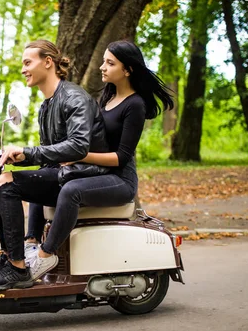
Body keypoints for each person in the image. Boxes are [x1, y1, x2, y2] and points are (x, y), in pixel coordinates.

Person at [33, 40, 174, 265]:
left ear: (127, 70)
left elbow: (121, 158)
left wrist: (78, 156)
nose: (102, 67)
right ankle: (31, 242)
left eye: (110, 63)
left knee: (71, 191)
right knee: (40, 179)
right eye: (103, 62)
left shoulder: (135, 105)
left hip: (119, 179)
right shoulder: (107, 97)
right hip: (97, 172)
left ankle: (45, 255)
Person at [0, 39, 108, 290]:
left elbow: (78, 146)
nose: (23, 69)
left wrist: (30, 152)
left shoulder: (74, 97)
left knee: (7, 183)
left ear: (48, 62)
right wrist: (24, 156)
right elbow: (49, 155)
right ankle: (12, 257)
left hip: (83, 176)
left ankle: (17, 267)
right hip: (64, 172)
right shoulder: (46, 105)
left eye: (28, 62)